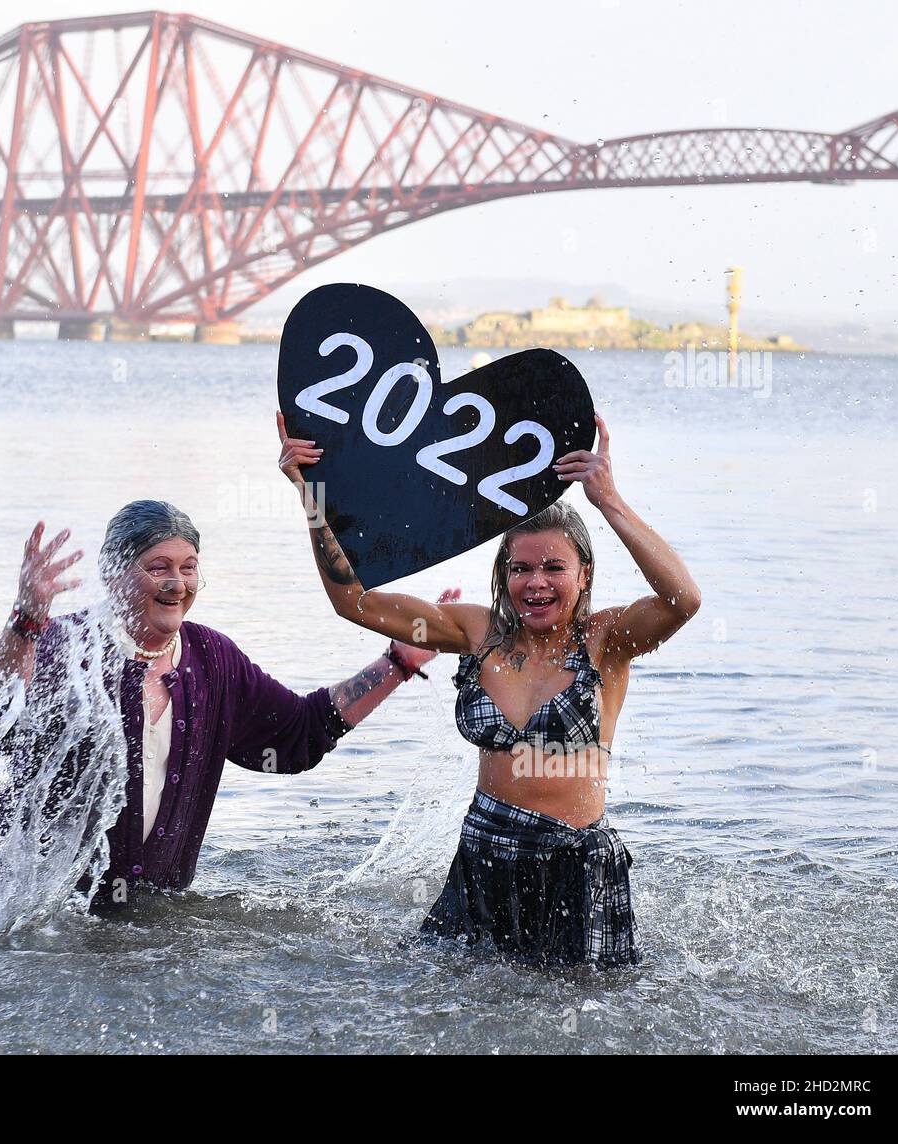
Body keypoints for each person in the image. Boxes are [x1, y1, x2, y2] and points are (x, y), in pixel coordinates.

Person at [277, 410, 701, 967]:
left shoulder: (607, 641)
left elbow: (683, 601)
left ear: (585, 574)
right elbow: (355, 602)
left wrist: (609, 502)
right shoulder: (475, 633)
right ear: (503, 575)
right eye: (521, 568)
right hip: (483, 860)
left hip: (572, 870)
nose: (537, 582)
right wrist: (312, 495)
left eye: (555, 567)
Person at [0, 500, 455, 908]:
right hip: (19, 910)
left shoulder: (212, 660)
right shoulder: (68, 647)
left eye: (188, 568)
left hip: (149, 914)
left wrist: (396, 663)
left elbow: (298, 735)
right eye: (159, 568)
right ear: (112, 574)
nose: (178, 584)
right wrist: (26, 620)